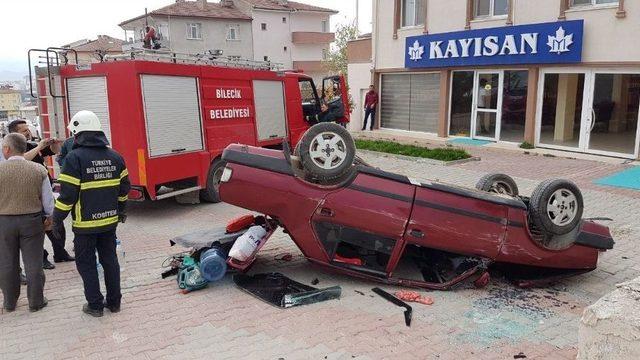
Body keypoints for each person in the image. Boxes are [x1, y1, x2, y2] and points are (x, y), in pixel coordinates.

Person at [52, 110, 130, 317]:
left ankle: (95, 305)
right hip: (109, 222)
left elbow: (67, 196)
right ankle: (115, 303)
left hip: (85, 227)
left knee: (86, 264)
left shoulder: (74, 158)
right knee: (109, 260)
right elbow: (124, 189)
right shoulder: (116, 156)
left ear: (77, 134)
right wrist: (121, 210)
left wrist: (56, 220)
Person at [6, 120, 74, 268]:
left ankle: (60, 253)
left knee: (55, 222)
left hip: (45, 190)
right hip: (28, 193)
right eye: (24, 131)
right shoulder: (12, 149)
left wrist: (53, 143)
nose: (28, 132)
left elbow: (55, 151)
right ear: (14, 134)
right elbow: (22, 160)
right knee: (37, 228)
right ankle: (42, 258)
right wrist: (39, 147)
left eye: (28, 129)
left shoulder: (32, 144)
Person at [0, 133, 53, 312]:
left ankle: (9, 302)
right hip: (32, 221)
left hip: (4, 222)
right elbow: (48, 201)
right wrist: (50, 218)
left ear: (7, 149)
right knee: (33, 262)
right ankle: (36, 301)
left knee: (7, 262)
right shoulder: (39, 170)